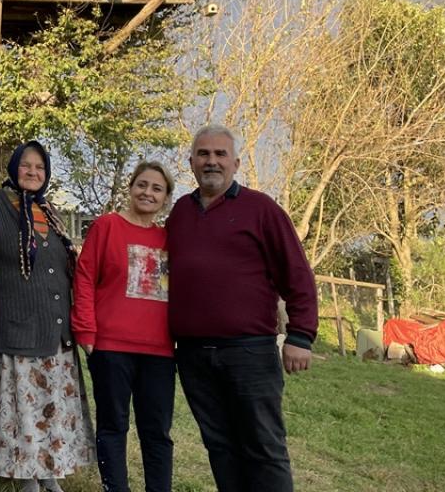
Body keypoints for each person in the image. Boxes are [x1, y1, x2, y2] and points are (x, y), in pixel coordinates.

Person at [165, 124, 318, 492]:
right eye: (203, 154)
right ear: (191, 162)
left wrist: (300, 335)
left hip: (249, 352)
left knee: (264, 447)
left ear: (234, 163)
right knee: (219, 446)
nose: (212, 161)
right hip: (194, 355)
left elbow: (297, 273)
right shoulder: (180, 213)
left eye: (220, 154)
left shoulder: (261, 209)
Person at [0, 140, 94, 492]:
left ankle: (49, 472)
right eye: (26, 165)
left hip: (56, 330)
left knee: (53, 405)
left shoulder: (49, 211)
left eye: (40, 167)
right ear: (14, 168)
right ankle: (26, 477)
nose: (33, 172)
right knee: (23, 405)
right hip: (17, 327)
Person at [72, 161, 176, 492]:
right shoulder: (107, 226)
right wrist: (86, 330)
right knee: (113, 426)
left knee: (157, 432)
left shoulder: (170, 239)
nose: (148, 193)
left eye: (157, 188)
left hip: (159, 351)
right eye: (142, 185)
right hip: (111, 346)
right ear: (130, 188)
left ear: (166, 198)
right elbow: (85, 277)